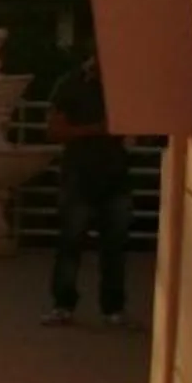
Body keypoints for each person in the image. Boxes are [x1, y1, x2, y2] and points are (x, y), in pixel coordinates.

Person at [43, 49, 134, 326]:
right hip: (79, 176)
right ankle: (63, 304)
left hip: (115, 175)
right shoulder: (70, 85)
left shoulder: (124, 85)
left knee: (115, 247)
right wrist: (98, 129)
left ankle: (113, 309)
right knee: (71, 243)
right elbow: (54, 131)